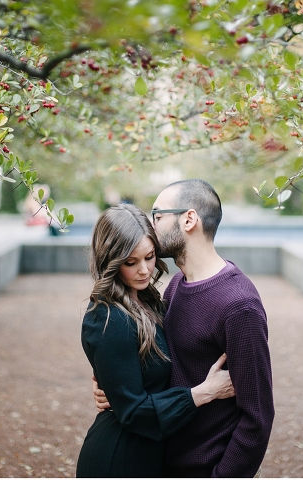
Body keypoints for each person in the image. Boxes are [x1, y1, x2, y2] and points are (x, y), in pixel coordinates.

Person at [94, 180, 275, 477]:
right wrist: (111, 386)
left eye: (158, 215)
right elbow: (158, 362)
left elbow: (258, 417)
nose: (149, 226)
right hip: (157, 459)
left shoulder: (239, 305)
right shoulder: (176, 286)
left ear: (188, 219)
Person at [76, 204, 236, 478]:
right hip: (119, 458)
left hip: (152, 454)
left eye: (149, 257)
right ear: (109, 260)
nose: (144, 270)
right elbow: (134, 412)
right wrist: (205, 392)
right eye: (130, 262)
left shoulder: (150, 301)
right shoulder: (107, 319)